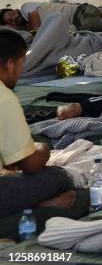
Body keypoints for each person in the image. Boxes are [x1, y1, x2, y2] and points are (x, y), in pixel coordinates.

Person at [0, 29, 76, 218]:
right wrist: (43, 148)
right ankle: (38, 212)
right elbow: (31, 165)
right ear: (10, 64)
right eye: (21, 64)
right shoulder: (4, 97)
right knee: (59, 177)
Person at [0, 2, 102, 38]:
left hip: (82, 13)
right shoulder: (26, 29)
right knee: (101, 37)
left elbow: (36, 28)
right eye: (11, 21)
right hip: (78, 27)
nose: (15, 19)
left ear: (15, 10)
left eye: (12, 14)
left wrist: (18, 30)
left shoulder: (27, 8)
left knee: (89, 24)